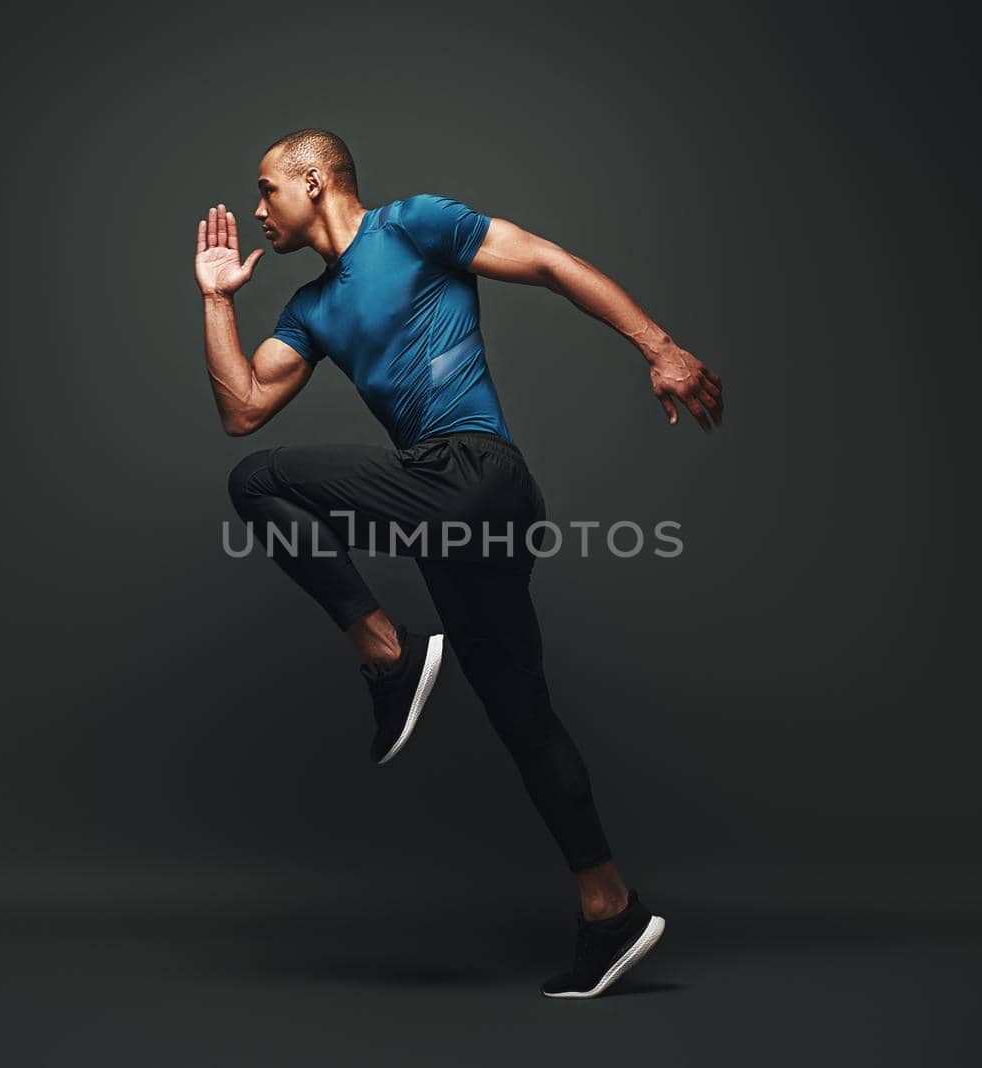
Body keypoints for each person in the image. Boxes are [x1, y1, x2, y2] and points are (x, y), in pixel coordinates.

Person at [195, 128, 722, 999]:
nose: (257, 211)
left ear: (315, 181)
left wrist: (657, 346)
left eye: (266, 191)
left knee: (259, 485)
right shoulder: (311, 309)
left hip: (476, 476)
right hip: (447, 518)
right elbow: (244, 407)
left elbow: (549, 262)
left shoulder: (414, 225)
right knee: (523, 717)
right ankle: (610, 909)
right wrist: (216, 302)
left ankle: (390, 652)